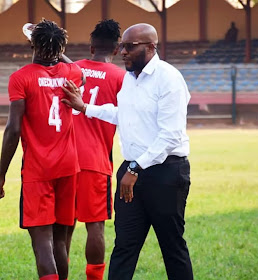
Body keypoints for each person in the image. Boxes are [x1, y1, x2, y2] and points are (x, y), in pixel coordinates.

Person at [62, 23, 193, 280]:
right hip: (132, 174)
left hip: (165, 174)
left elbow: (170, 135)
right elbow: (120, 114)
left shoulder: (169, 78)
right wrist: (85, 107)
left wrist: (135, 168)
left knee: (172, 247)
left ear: (151, 47)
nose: (123, 52)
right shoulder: (130, 79)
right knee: (124, 247)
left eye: (130, 47)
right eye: (122, 46)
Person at [0, 19, 83, 280]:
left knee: (42, 242)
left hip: (38, 170)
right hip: (69, 167)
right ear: (60, 47)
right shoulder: (72, 73)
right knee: (61, 242)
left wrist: (0, 173)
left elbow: (13, 129)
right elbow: (72, 65)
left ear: (33, 45)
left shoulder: (20, 78)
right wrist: (54, 48)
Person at [65, 19, 125, 280]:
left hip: (64, 158)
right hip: (95, 161)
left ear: (91, 47)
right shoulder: (123, 78)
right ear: (116, 49)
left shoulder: (71, 69)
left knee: (62, 228)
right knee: (95, 226)